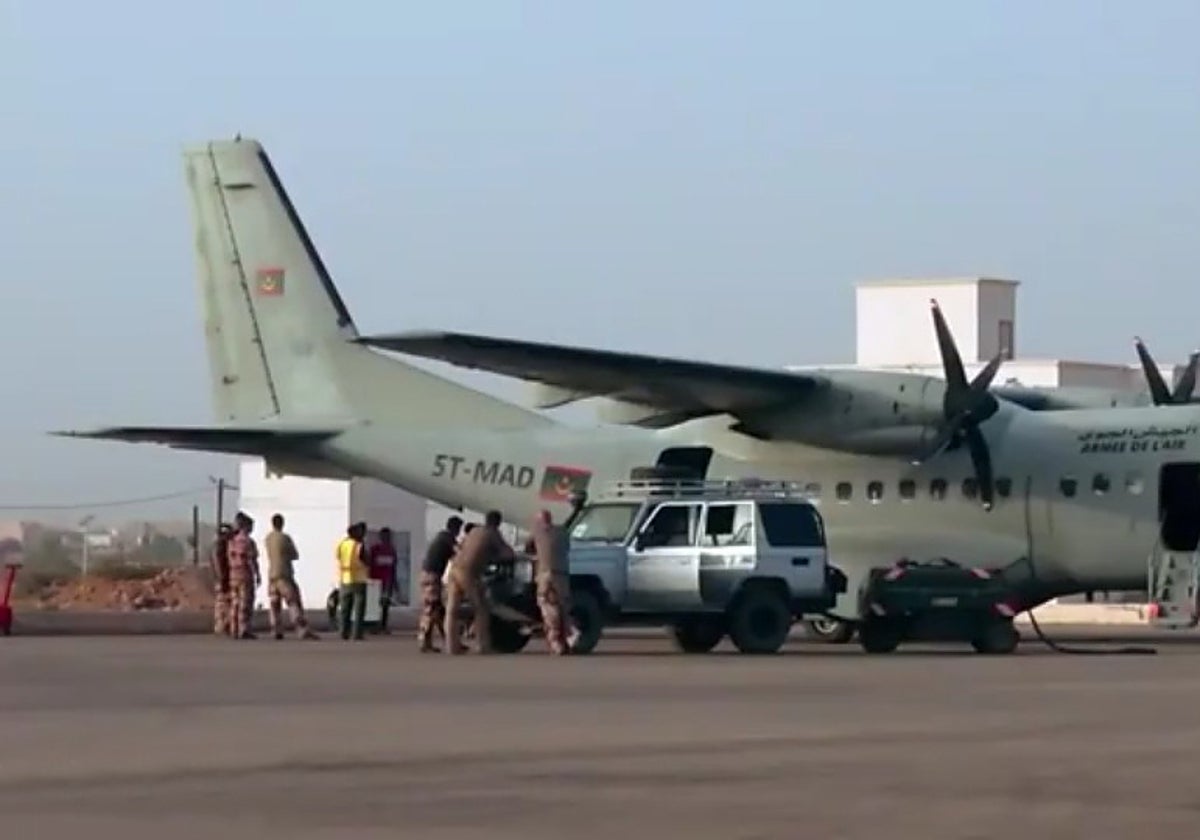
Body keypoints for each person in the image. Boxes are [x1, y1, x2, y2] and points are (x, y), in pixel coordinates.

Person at [443, 510, 512, 654]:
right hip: (468, 573)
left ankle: (452, 646)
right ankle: (482, 645)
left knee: (452, 610)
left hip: (454, 569)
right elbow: (508, 553)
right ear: (498, 523)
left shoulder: (474, 531)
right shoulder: (492, 533)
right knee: (481, 608)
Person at [264, 513, 319, 641]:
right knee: (293, 601)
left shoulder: (268, 538)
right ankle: (301, 629)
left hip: (272, 574)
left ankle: (276, 629)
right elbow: (294, 554)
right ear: (282, 523)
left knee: (274, 604)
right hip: (284, 574)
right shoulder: (285, 538)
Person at [529, 509, 576, 655]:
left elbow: (529, 547)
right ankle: (570, 637)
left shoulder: (538, 533)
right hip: (562, 575)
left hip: (546, 575)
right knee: (564, 608)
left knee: (549, 609)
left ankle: (556, 643)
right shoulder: (562, 533)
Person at [418, 515, 462, 652]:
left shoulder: (441, 537)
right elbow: (459, 553)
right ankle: (424, 641)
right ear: (455, 528)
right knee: (431, 609)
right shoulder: (447, 537)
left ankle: (448, 641)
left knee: (437, 610)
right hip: (432, 576)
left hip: (427, 574)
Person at [227, 513, 261, 640]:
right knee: (245, 602)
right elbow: (252, 560)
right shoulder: (248, 542)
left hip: (233, 574)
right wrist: (257, 575)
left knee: (235, 601)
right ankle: (244, 629)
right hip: (245, 574)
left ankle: (233, 628)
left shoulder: (232, 541)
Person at [336, 522, 370, 640]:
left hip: (344, 579)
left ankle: (343, 632)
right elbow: (365, 559)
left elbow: (338, 557)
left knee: (345, 608)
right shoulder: (359, 545)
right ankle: (357, 633)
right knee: (359, 609)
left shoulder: (341, 544)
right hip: (358, 580)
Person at [368, 527, 399, 634]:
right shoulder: (374, 549)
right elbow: (370, 565)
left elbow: (394, 568)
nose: (387, 538)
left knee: (385, 605)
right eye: (385, 536)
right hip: (376, 582)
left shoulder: (392, 550)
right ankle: (373, 626)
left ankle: (383, 626)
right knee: (375, 606)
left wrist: (395, 584)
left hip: (388, 582)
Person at [209, 523, 233, 636]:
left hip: (218, 578)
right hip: (222, 578)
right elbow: (219, 564)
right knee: (224, 603)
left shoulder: (215, 545)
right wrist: (223, 578)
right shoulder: (220, 546)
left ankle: (221, 626)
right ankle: (223, 626)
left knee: (221, 603)